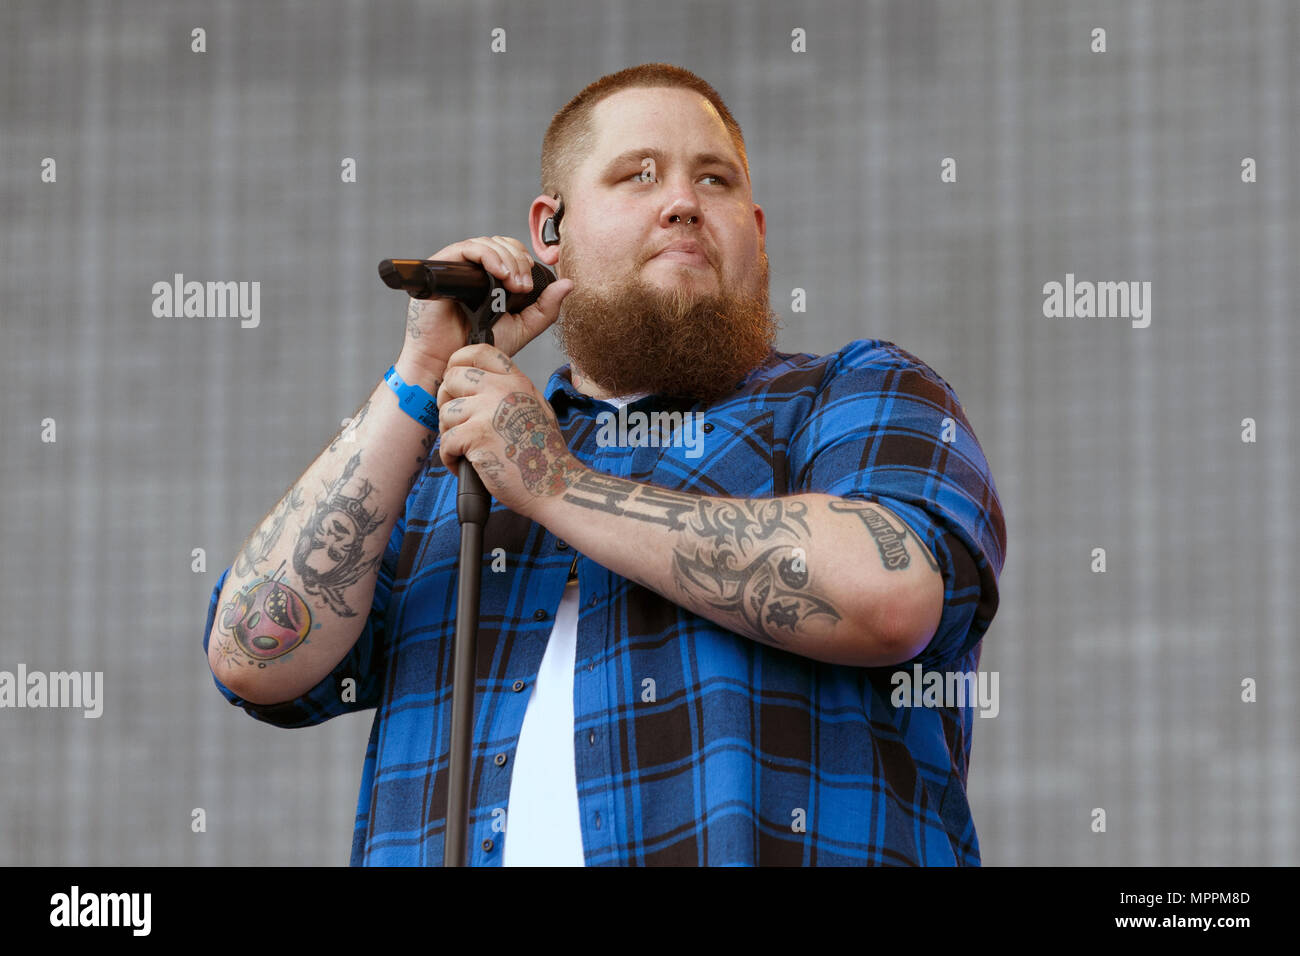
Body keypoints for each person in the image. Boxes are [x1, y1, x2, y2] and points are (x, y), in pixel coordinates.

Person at [203, 62, 1007, 866]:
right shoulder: (455, 460)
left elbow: (891, 595)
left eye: (716, 180)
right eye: (640, 174)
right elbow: (253, 655)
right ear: (550, 231)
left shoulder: (851, 391)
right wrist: (417, 375)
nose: (684, 201)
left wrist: (556, 484)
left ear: (756, 234)